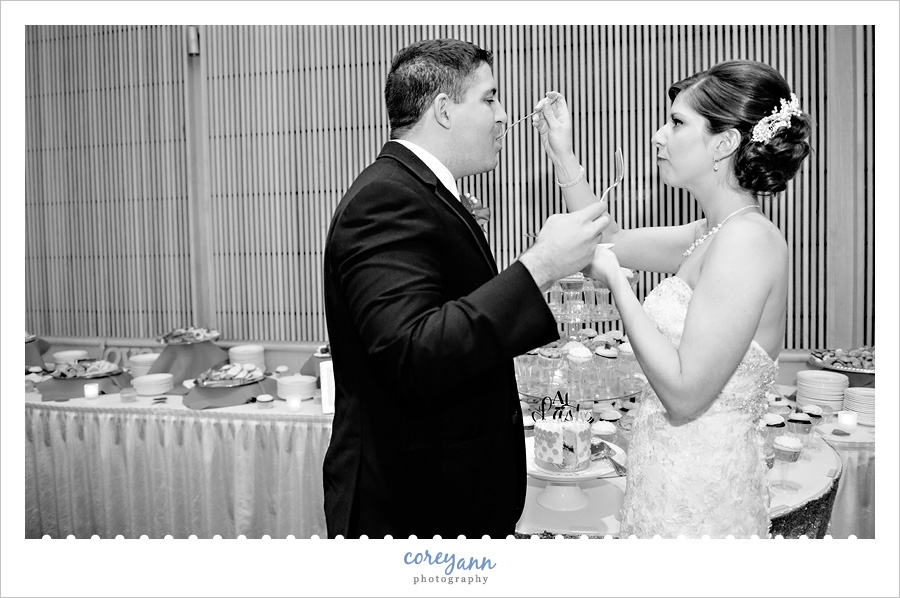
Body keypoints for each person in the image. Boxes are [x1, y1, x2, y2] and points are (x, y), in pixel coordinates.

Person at [322, 38, 609, 539]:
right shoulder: (386, 198)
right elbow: (411, 352)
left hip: (444, 490)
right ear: (443, 110)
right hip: (413, 505)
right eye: (490, 97)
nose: (503, 116)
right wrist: (538, 266)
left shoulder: (419, 192)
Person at [532, 60, 811, 538]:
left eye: (678, 123)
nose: (658, 136)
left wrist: (620, 285)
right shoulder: (711, 232)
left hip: (704, 500)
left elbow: (684, 395)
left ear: (724, 144)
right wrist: (563, 155)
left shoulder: (747, 242)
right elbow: (608, 241)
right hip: (665, 480)